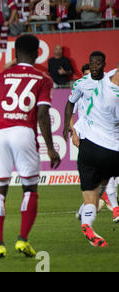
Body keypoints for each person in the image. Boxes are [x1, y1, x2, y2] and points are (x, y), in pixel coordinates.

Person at [0, 34, 61, 259]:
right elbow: (43, 115)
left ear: (14, 54)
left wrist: (0, 120)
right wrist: (50, 148)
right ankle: (22, 239)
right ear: (37, 53)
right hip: (24, 132)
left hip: (0, 135)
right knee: (30, 188)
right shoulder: (43, 79)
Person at [63, 52, 119, 247]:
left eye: (97, 63)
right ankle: (111, 208)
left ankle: (86, 217)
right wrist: (70, 129)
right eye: (91, 64)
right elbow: (70, 104)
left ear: (103, 64)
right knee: (103, 180)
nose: (94, 66)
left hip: (96, 143)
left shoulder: (107, 82)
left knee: (97, 186)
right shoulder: (83, 84)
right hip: (94, 140)